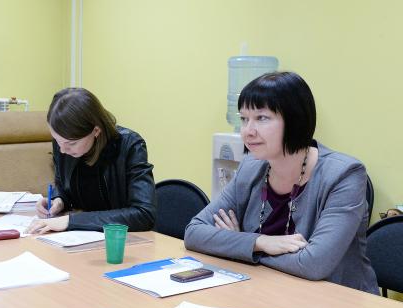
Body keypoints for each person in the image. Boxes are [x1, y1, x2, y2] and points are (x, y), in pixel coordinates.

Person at [184, 72, 378, 294]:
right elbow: (194, 233)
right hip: (266, 293)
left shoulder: (344, 175)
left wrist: (237, 244)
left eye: (262, 118)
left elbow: (314, 264)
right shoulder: (250, 168)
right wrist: (260, 242)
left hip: (336, 303)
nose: (248, 131)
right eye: (244, 119)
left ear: (295, 119)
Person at [26, 88, 156, 234]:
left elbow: (144, 214)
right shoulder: (64, 143)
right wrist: (59, 200)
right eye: (57, 141)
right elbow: (63, 186)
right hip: (78, 238)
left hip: (120, 241)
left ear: (96, 130)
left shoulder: (130, 145)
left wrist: (72, 221)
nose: (62, 150)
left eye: (71, 144)